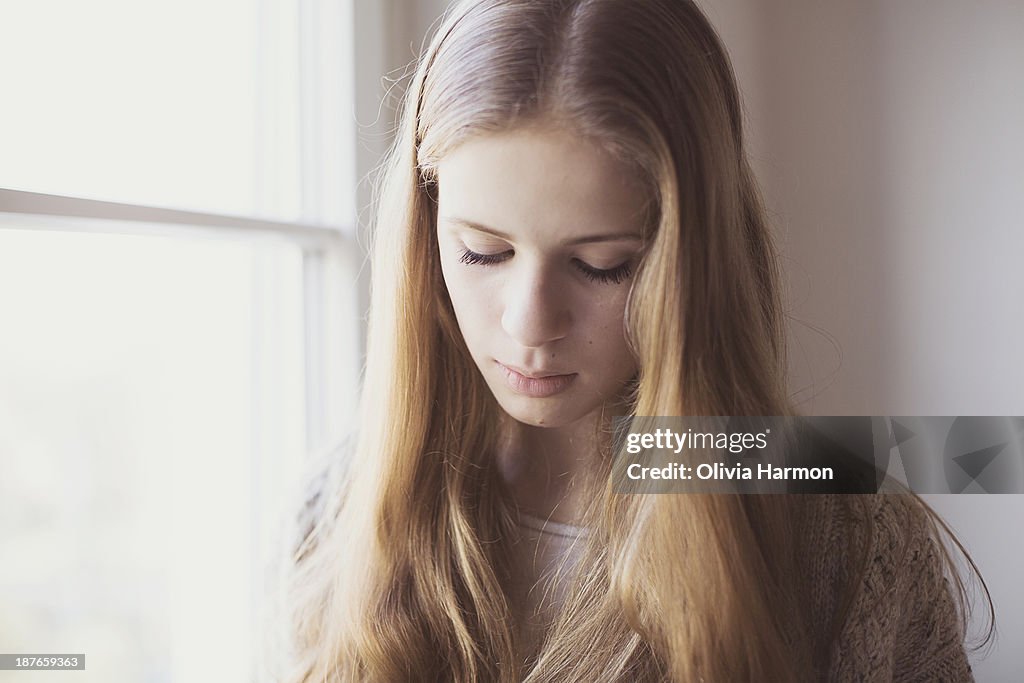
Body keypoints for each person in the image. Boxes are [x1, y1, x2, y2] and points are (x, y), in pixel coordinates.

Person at [283, 0, 993, 680]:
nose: (530, 322)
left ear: (693, 259)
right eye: (482, 252)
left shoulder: (852, 542)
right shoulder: (334, 514)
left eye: (602, 265)